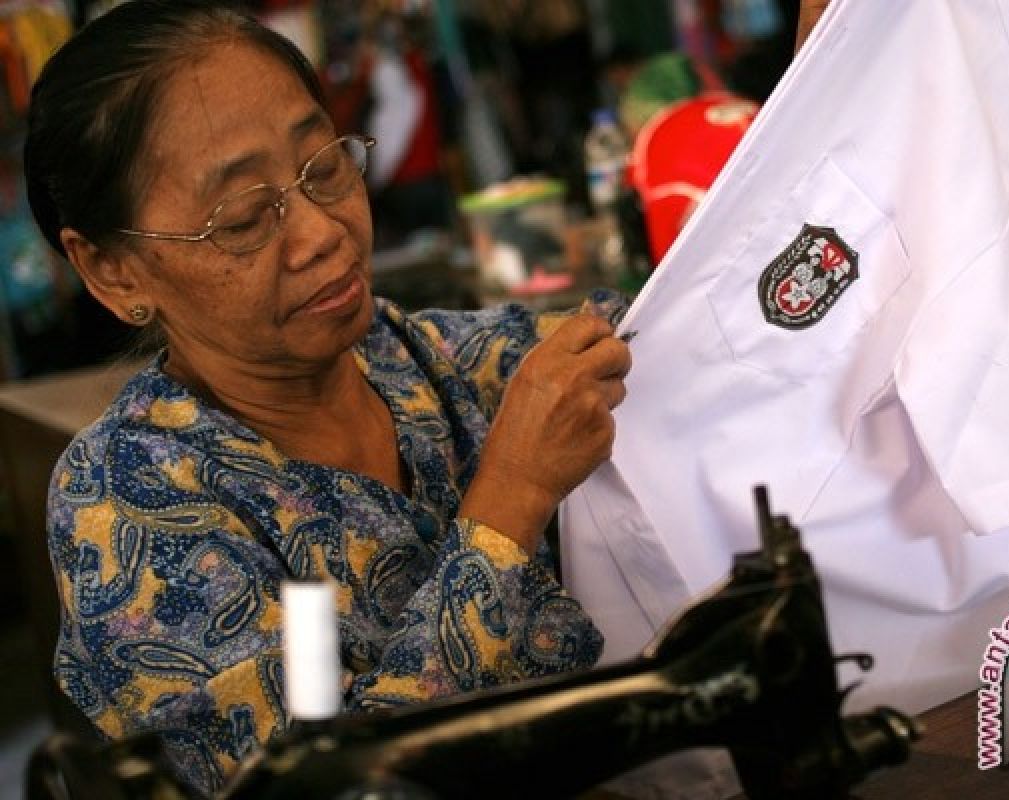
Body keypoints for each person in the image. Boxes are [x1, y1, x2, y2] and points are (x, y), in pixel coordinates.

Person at [24, 1, 630, 794]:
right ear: (114, 272)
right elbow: (328, 786)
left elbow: (658, 331)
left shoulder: (413, 355)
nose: (321, 232)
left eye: (324, 167)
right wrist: (512, 497)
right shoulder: (128, 503)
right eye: (243, 218)